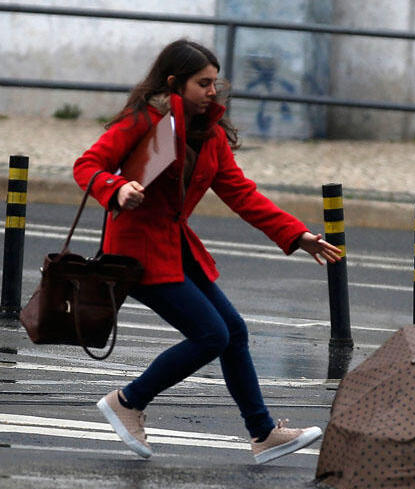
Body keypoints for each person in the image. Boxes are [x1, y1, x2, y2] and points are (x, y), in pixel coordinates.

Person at [74, 39, 341, 463]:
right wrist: (118, 187)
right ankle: (128, 401)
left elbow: (242, 194)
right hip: (136, 253)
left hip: (175, 247)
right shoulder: (145, 119)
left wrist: (296, 234)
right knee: (211, 335)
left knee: (233, 332)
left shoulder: (209, 133)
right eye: (204, 83)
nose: (213, 92)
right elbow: (87, 165)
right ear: (174, 82)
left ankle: (263, 433)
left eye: (216, 83)